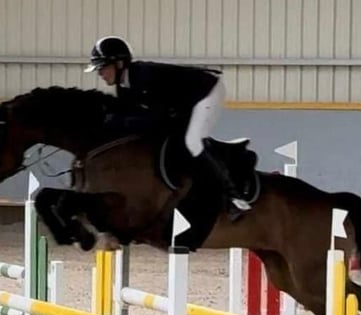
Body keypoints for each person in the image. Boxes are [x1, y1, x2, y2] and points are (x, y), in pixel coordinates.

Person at [84, 35, 251, 213]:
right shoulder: (124, 86)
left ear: (119, 64)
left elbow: (157, 118)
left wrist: (122, 121)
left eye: (102, 67)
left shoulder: (142, 76)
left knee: (192, 142)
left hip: (207, 93)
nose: (100, 73)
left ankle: (233, 195)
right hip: (183, 103)